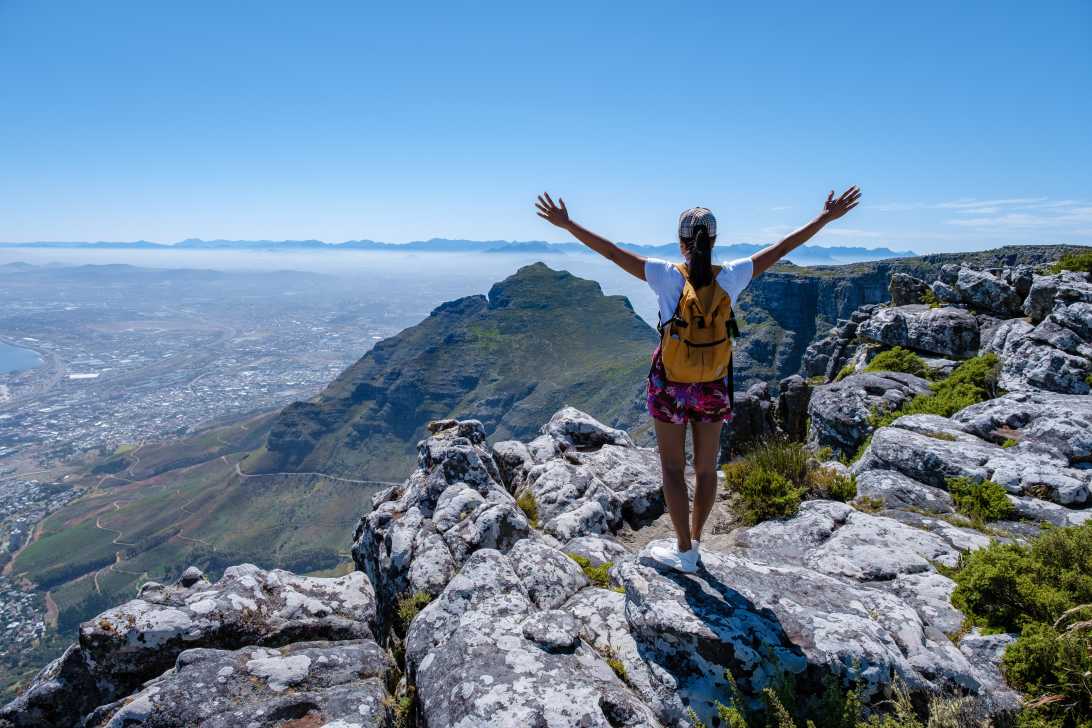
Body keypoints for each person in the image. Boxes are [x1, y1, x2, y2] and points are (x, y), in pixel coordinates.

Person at [535, 186, 861, 572]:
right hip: (713, 385)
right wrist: (824, 218)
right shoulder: (734, 276)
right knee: (706, 468)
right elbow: (782, 249)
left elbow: (610, 252)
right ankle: (698, 542)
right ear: (716, 239)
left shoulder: (664, 274)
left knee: (673, 469)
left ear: (680, 241)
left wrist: (567, 223)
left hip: (670, 384)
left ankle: (684, 550)